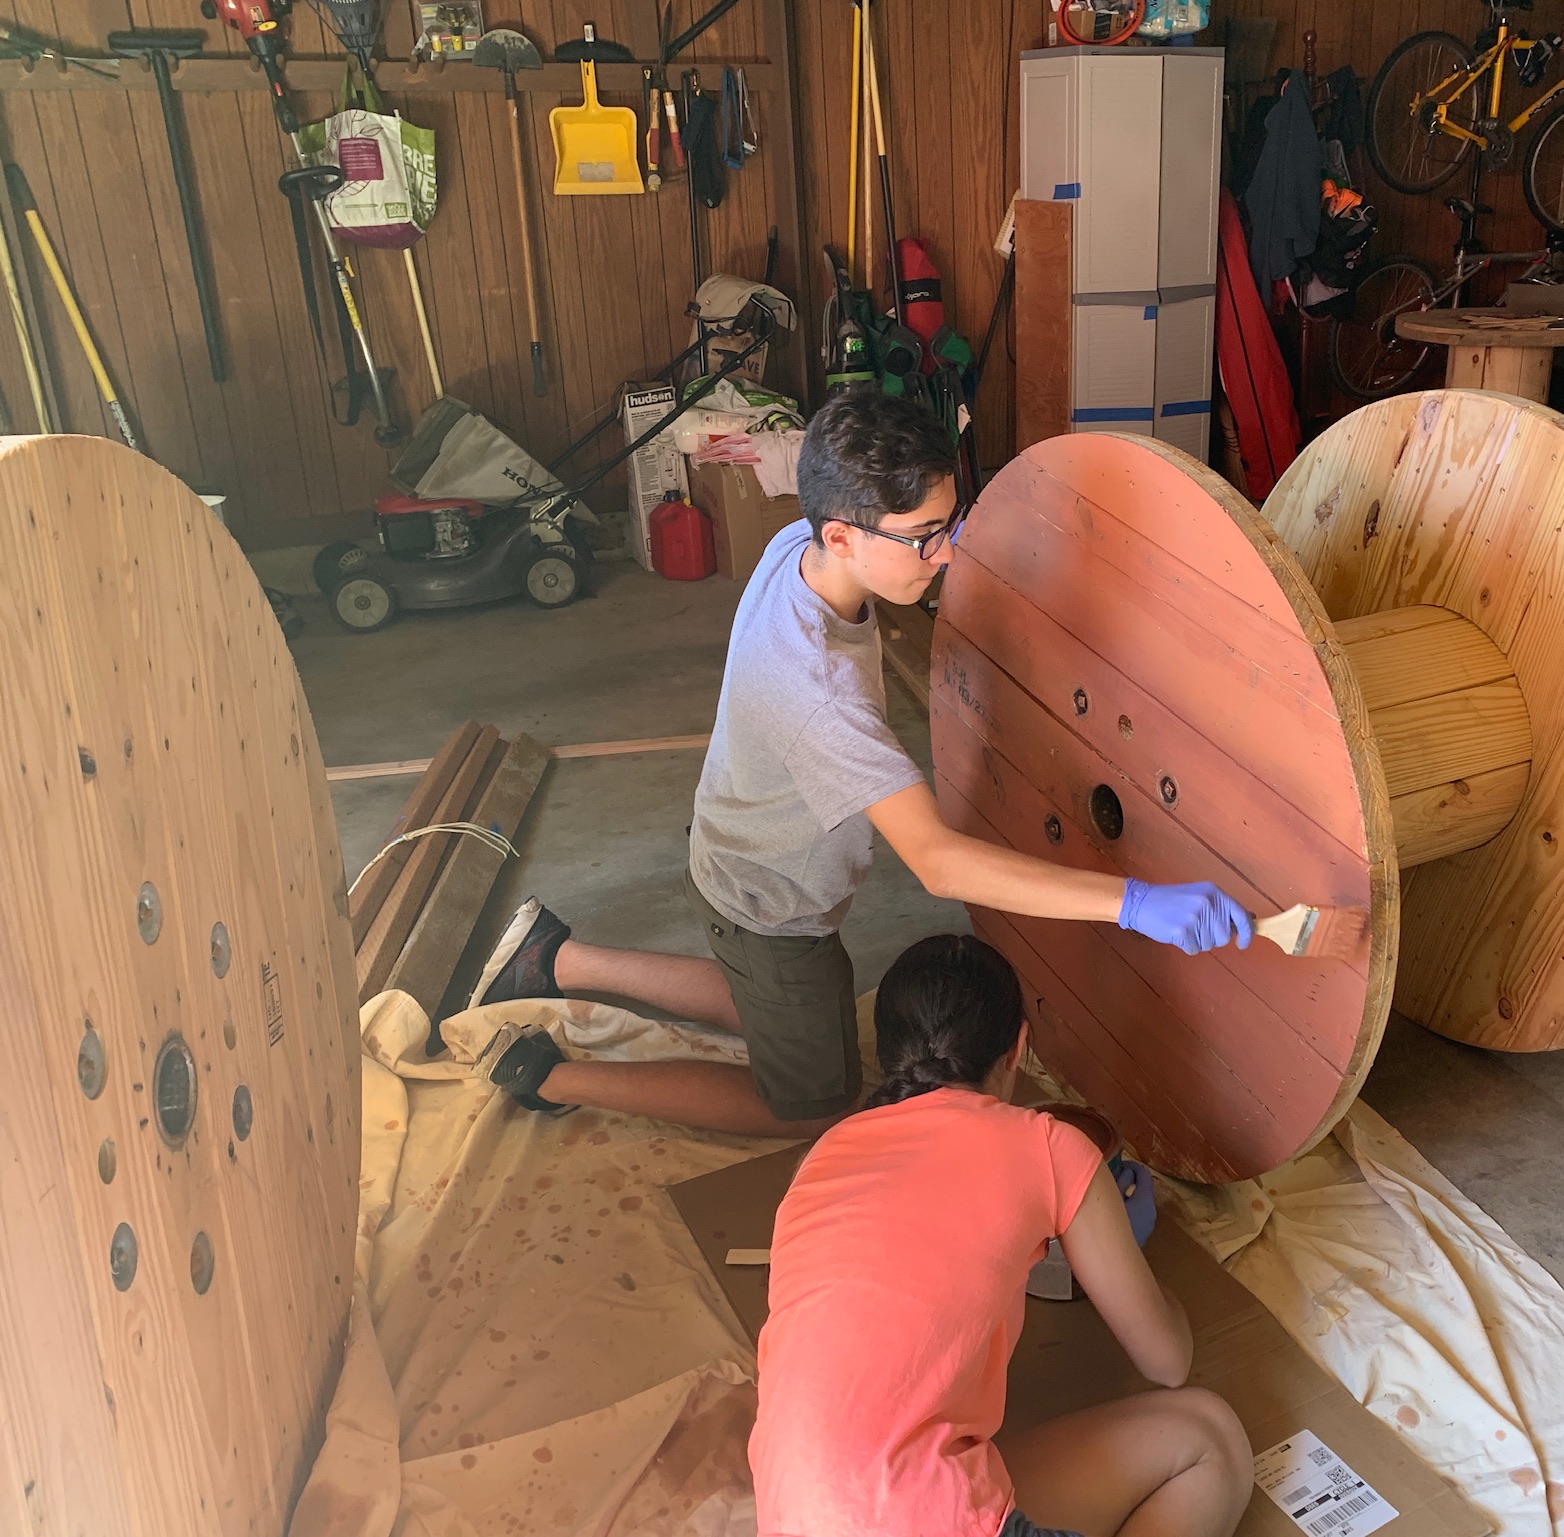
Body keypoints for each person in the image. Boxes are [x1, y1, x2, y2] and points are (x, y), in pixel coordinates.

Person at [474, 389, 1254, 1136]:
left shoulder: (798, 547)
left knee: (774, 1001)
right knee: (813, 1104)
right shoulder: (818, 694)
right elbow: (938, 862)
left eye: (950, 522)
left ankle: (555, 957)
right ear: (843, 535)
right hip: (770, 904)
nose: (946, 554)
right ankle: (547, 1075)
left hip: (738, 852)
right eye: (924, 536)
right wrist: (1132, 901)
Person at [750, 934, 1254, 1537]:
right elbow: (1168, 1363)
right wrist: (1131, 1252)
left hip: (795, 1515)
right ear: (1019, 1047)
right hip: (926, 1520)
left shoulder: (823, 1154)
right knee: (1211, 1435)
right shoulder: (1049, 1146)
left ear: (887, 1052)